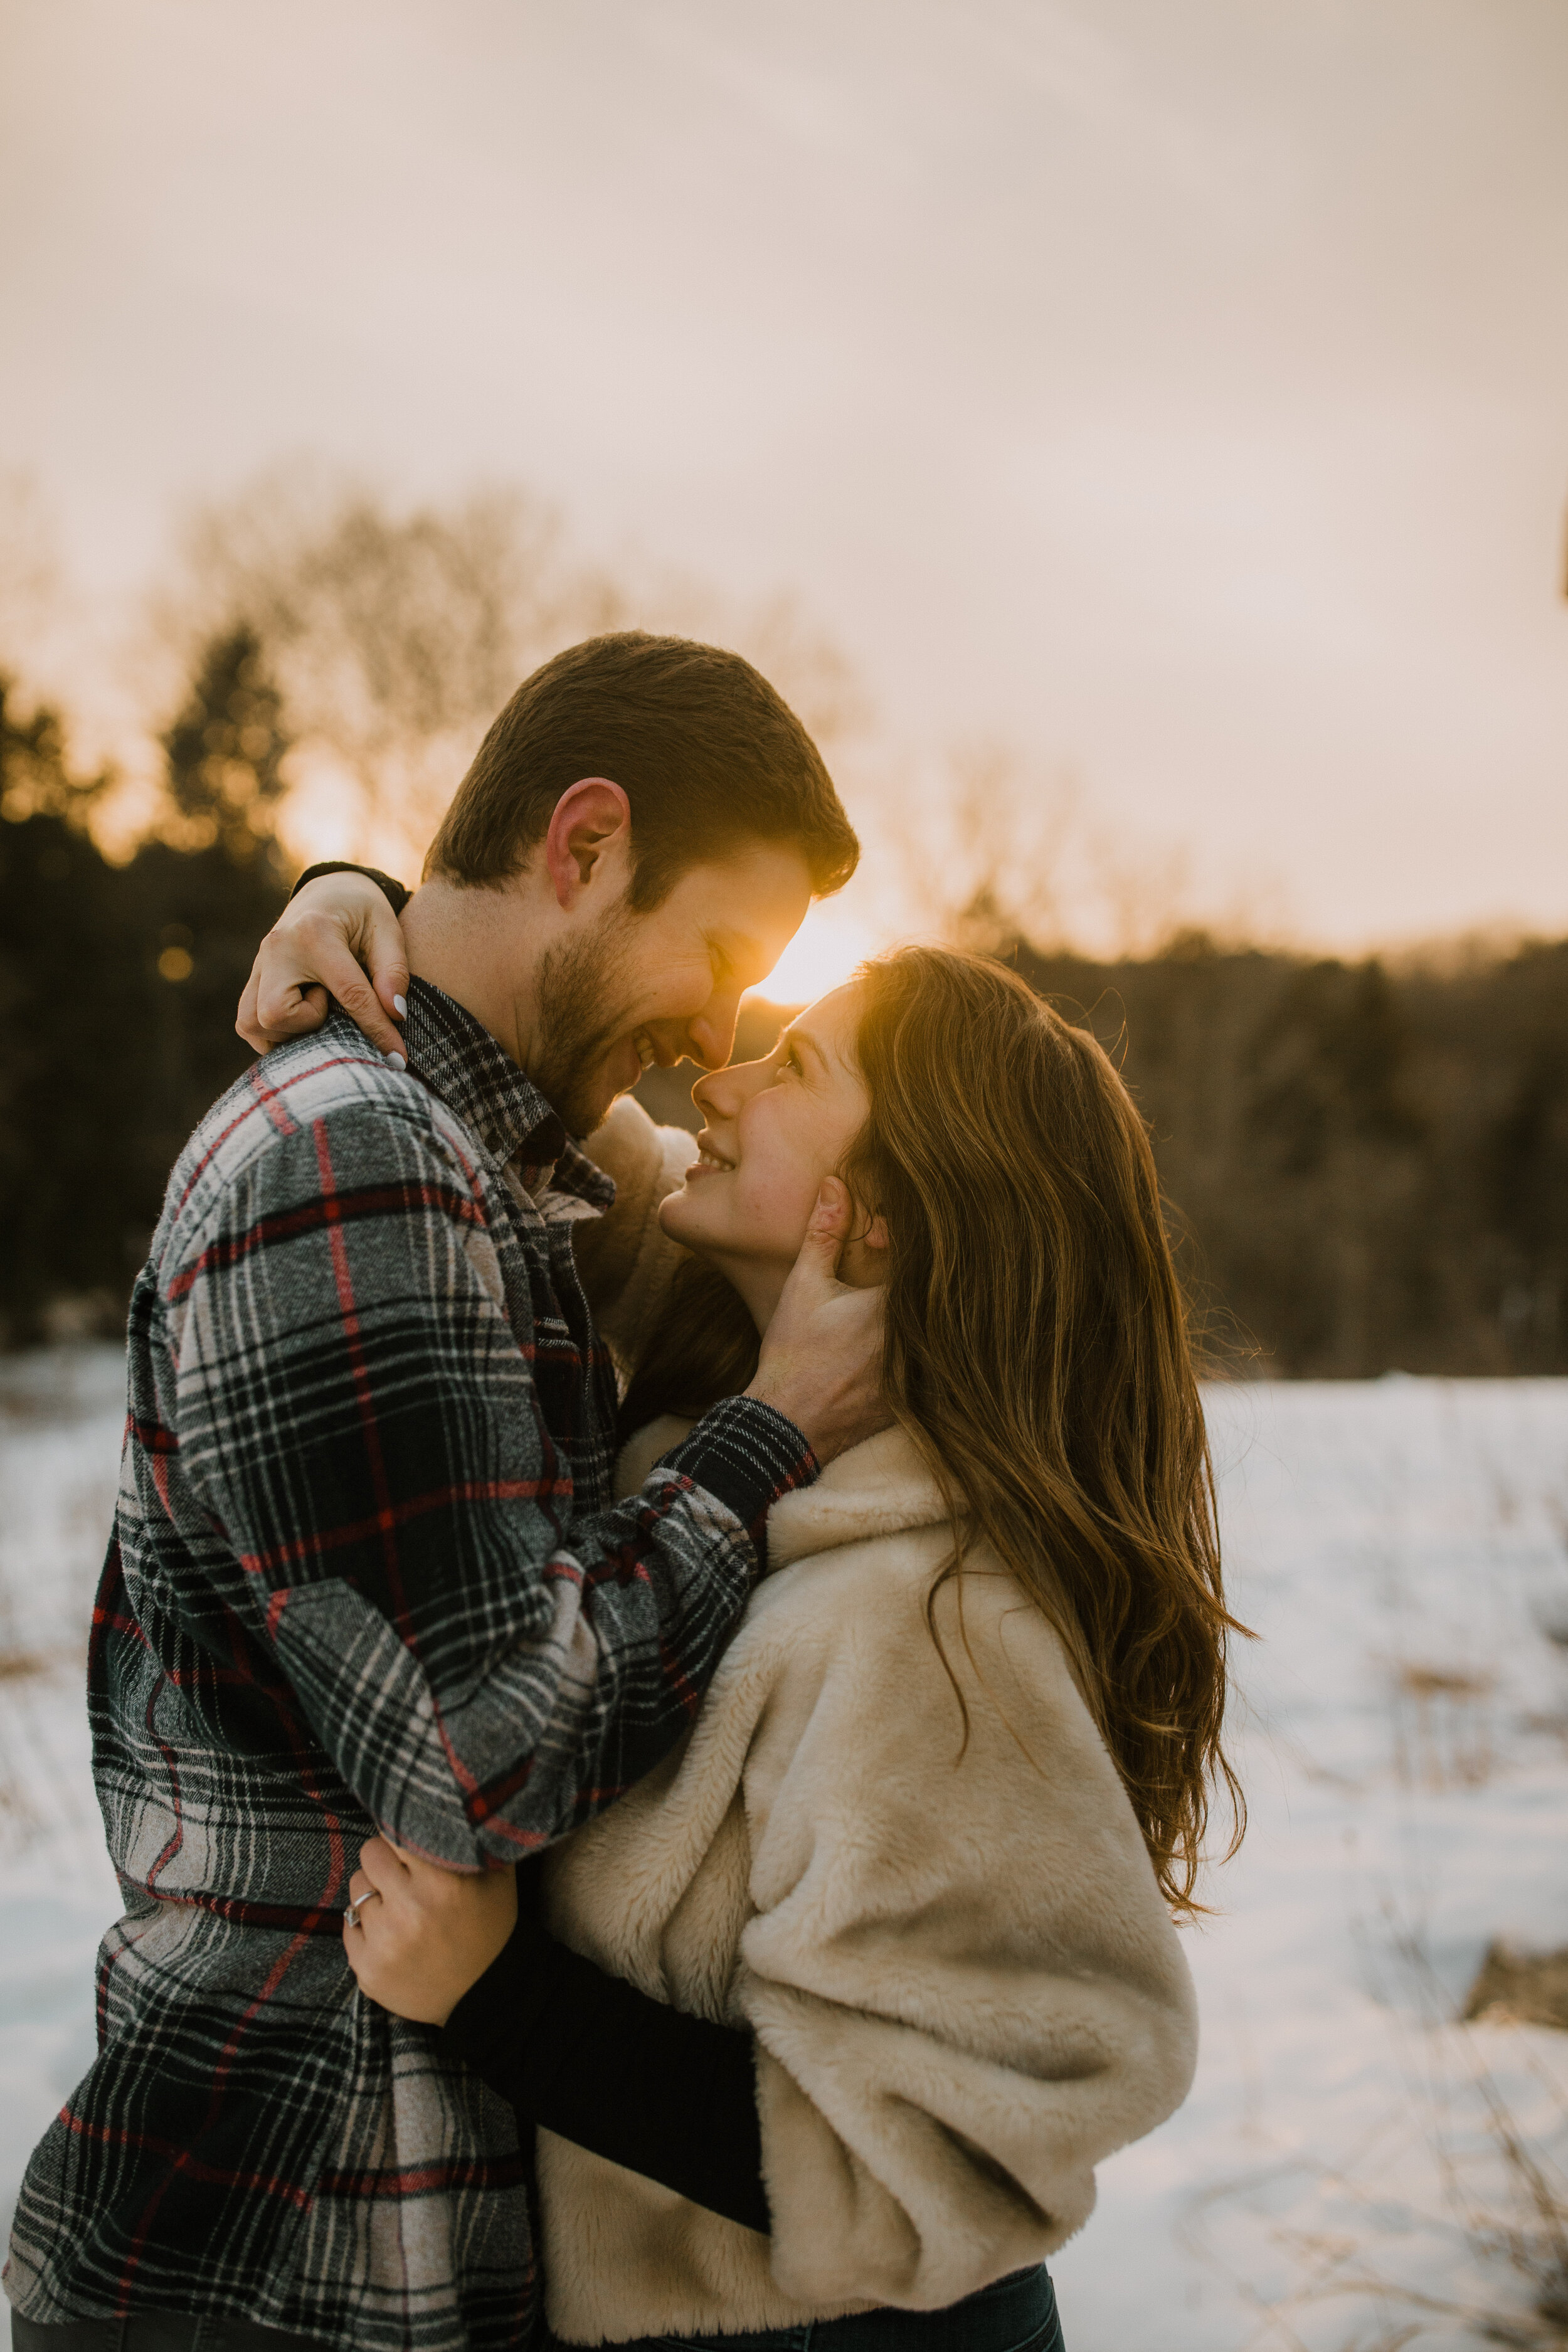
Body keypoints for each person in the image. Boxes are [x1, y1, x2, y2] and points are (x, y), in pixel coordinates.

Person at [5, 633, 889, 2352]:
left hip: (383, 2237)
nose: (720, 1030)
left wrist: (344, 889)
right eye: (717, 950)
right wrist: (771, 1428)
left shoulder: (492, 1164)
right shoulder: (356, 1156)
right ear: (584, 841)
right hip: (275, 2254)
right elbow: (476, 1757)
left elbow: (735, 1218)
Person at [289, 923, 1244, 2349]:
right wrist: (358, 917)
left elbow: (951, 2151)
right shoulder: (723, 1461)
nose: (715, 1085)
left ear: (876, 1215)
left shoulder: (927, 1615)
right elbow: (522, 1099)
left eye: (789, 1064)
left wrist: (500, 2000)